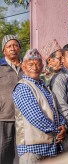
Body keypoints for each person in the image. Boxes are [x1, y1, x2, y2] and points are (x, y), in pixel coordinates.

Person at [13, 49, 66, 164]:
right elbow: (35, 117)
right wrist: (57, 130)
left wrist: (62, 125)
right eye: (30, 64)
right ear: (23, 66)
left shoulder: (43, 86)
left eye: (38, 64)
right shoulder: (23, 87)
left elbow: (55, 110)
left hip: (49, 147)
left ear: (42, 66)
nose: (35, 67)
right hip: (32, 150)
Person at [0, 35, 23, 164]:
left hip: (23, 118)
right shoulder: (0, 66)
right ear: (4, 50)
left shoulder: (26, 66)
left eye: (15, 45)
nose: (12, 48)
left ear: (19, 48)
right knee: (3, 152)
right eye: (9, 46)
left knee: (20, 153)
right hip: (3, 117)